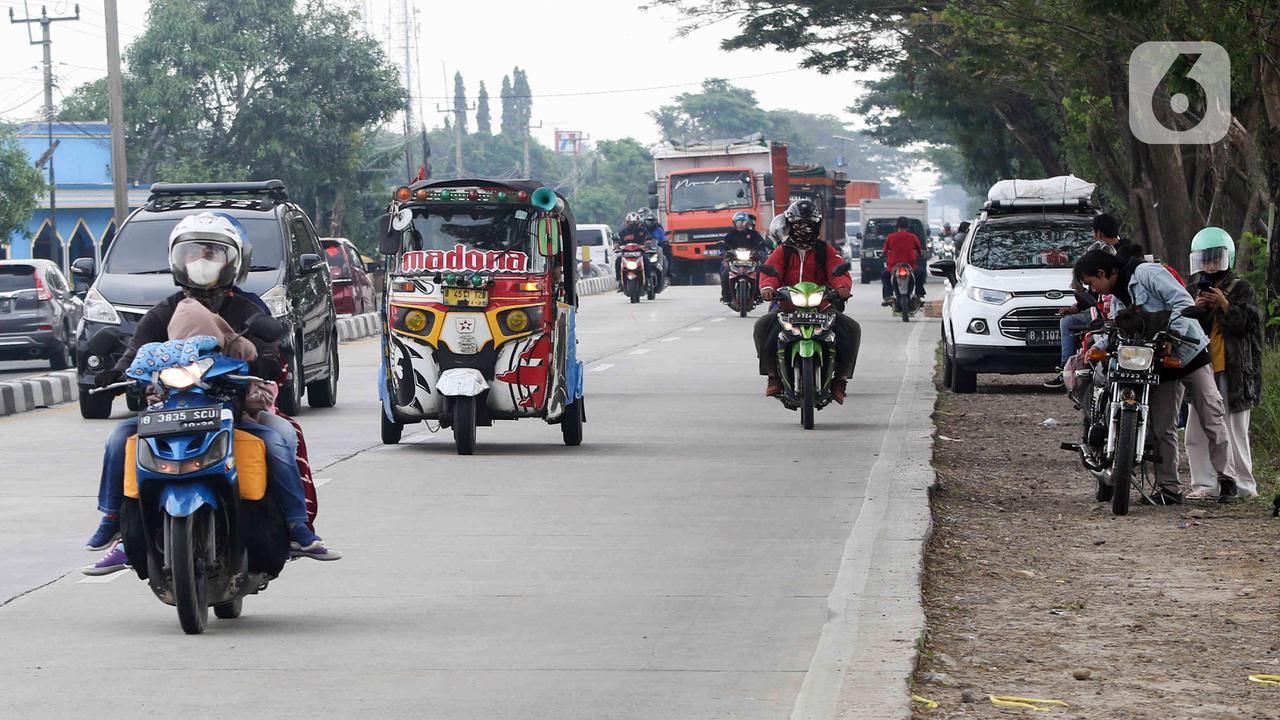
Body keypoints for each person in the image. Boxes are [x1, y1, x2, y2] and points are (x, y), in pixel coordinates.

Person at [83, 212, 340, 575]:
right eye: (193, 254)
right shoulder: (166, 309)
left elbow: (271, 350)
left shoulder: (247, 306)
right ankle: (115, 523)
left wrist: (263, 360)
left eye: (212, 253)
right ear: (177, 259)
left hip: (235, 408)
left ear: (234, 260)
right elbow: (136, 351)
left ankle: (298, 527)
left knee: (280, 437)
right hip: (171, 408)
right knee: (118, 438)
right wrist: (116, 373)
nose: (201, 263)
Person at [1074, 248, 1239, 505]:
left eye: (1091, 282)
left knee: (1212, 415)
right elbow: (1121, 326)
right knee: (1163, 427)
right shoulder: (1118, 298)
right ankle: (1169, 489)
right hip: (1157, 363)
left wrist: (1171, 335)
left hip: (1190, 352)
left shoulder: (1147, 273)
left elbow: (1182, 301)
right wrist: (1101, 344)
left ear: (1103, 273)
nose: (1093, 288)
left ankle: (1227, 480)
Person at [1181, 227, 1262, 500]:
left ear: (1227, 257)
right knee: (1197, 428)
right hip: (1202, 367)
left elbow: (1248, 326)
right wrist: (1197, 308)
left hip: (1234, 369)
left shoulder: (1242, 288)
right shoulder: (1195, 289)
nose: (1210, 265)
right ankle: (1205, 484)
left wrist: (1226, 305)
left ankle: (1243, 485)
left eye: (1216, 258)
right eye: (1205, 259)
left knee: (1235, 428)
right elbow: (1187, 328)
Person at [754, 200, 861, 404]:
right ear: (790, 226)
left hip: (821, 306)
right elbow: (770, 272)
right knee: (762, 327)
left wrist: (842, 288)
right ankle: (773, 376)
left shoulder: (824, 250)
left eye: (809, 225)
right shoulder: (782, 251)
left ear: (817, 226)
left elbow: (837, 268)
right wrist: (768, 288)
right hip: (788, 306)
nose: (804, 230)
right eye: (799, 225)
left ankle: (840, 379)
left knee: (851, 329)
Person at [717, 211, 769, 303]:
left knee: (759, 272)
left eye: (743, 222)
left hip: (751, 260)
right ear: (734, 223)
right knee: (724, 273)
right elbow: (723, 244)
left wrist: (761, 252)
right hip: (734, 260)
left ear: (748, 223)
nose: (740, 225)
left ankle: (758, 295)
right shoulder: (731, 234)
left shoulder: (754, 234)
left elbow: (761, 244)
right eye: (738, 222)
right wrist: (724, 252)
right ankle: (726, 297)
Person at [880, 217, 924, 306]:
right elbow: (919, 250)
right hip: (910, 266)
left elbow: (884, 251)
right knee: (921, 273)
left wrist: (882, 256)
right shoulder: (913, 237)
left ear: (897, 227)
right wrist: (920, 255)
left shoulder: (891, 237)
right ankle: (919, 294)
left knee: (884, 275)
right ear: (907, 227)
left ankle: (888, 296)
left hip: (893, 267)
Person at [614, 212, 654, 290]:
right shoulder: (623, 232)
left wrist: (647, 244)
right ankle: (619, 281)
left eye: (635, 222)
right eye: (631, 222)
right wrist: (617, 245)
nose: (633, 224)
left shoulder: (643, 231)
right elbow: (619, 241)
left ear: (639, 222)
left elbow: (648, 238)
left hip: (639, 253)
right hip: (626, 254)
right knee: (618, 260)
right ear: (627, 223)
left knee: (646, 260)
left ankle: (648, 279)